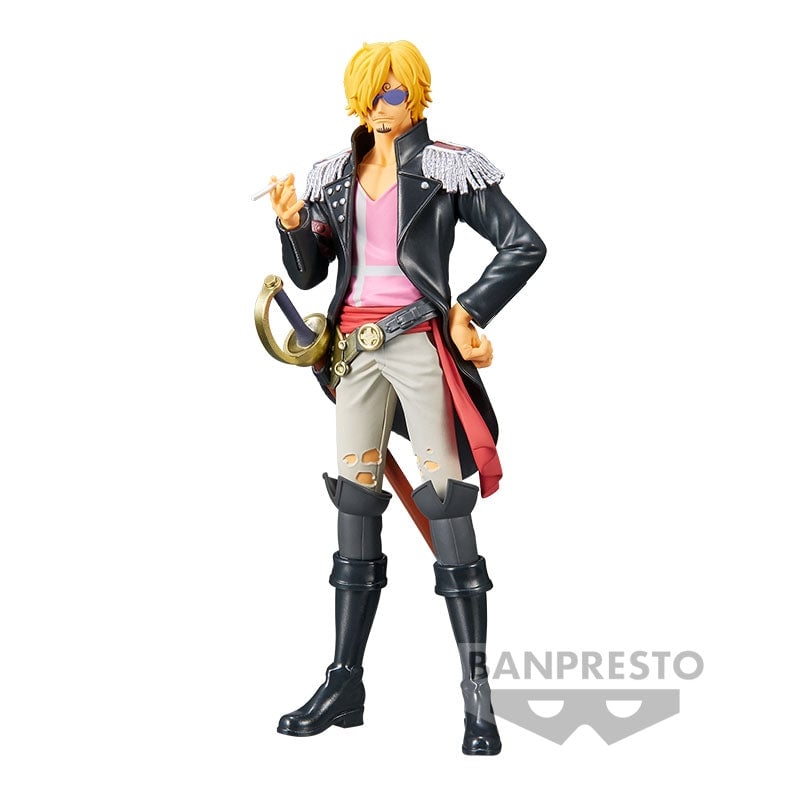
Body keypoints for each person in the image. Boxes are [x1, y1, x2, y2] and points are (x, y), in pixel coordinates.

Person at [268, 40, 546, 755]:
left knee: (445, 498)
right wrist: (293, 225)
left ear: (416, 95)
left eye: (392, 95)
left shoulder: (448, 169)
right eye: (369, 97)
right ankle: (344, 681)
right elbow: (309, 275)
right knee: (355, 500)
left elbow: (524, 244)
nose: (380, 109)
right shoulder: (336, 176)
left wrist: (468, 311)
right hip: (352, 355)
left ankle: (477, 693)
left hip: (418, 344)